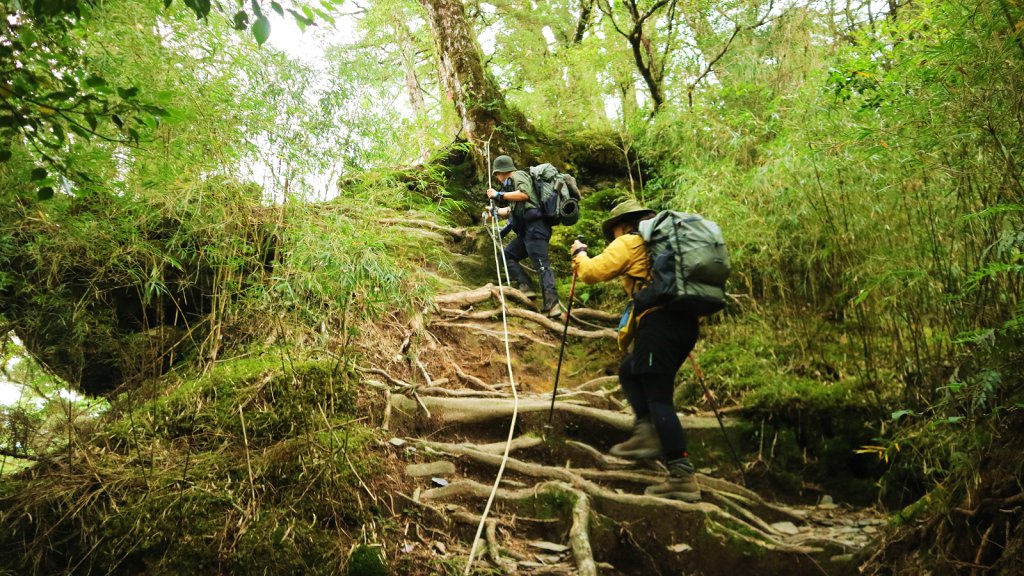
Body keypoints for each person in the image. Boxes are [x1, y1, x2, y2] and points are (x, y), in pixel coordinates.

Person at [569, 199, 702, 502]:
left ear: (623, 224)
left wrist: (579, 254)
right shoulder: (667, 244)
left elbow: (592, 271)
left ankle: (681, 473)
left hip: (660, 322)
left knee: (658, 396)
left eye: (613, 229)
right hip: (684, 324)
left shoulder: (631, 241)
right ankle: (646, 431)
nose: (613, 236)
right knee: (631, 370)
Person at [484, 155, 561, 317]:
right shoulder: (511, 186)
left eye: (497, 175)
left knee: (541, 265)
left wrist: (498, 195)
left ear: (501, 172)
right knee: (507, 255)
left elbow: (524, 195)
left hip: (536, 228)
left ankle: (553, 305)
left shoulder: (517, 176)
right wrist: (494, 211)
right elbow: (512, 211)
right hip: (527, 232)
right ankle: (527, 287)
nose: (497, 179)